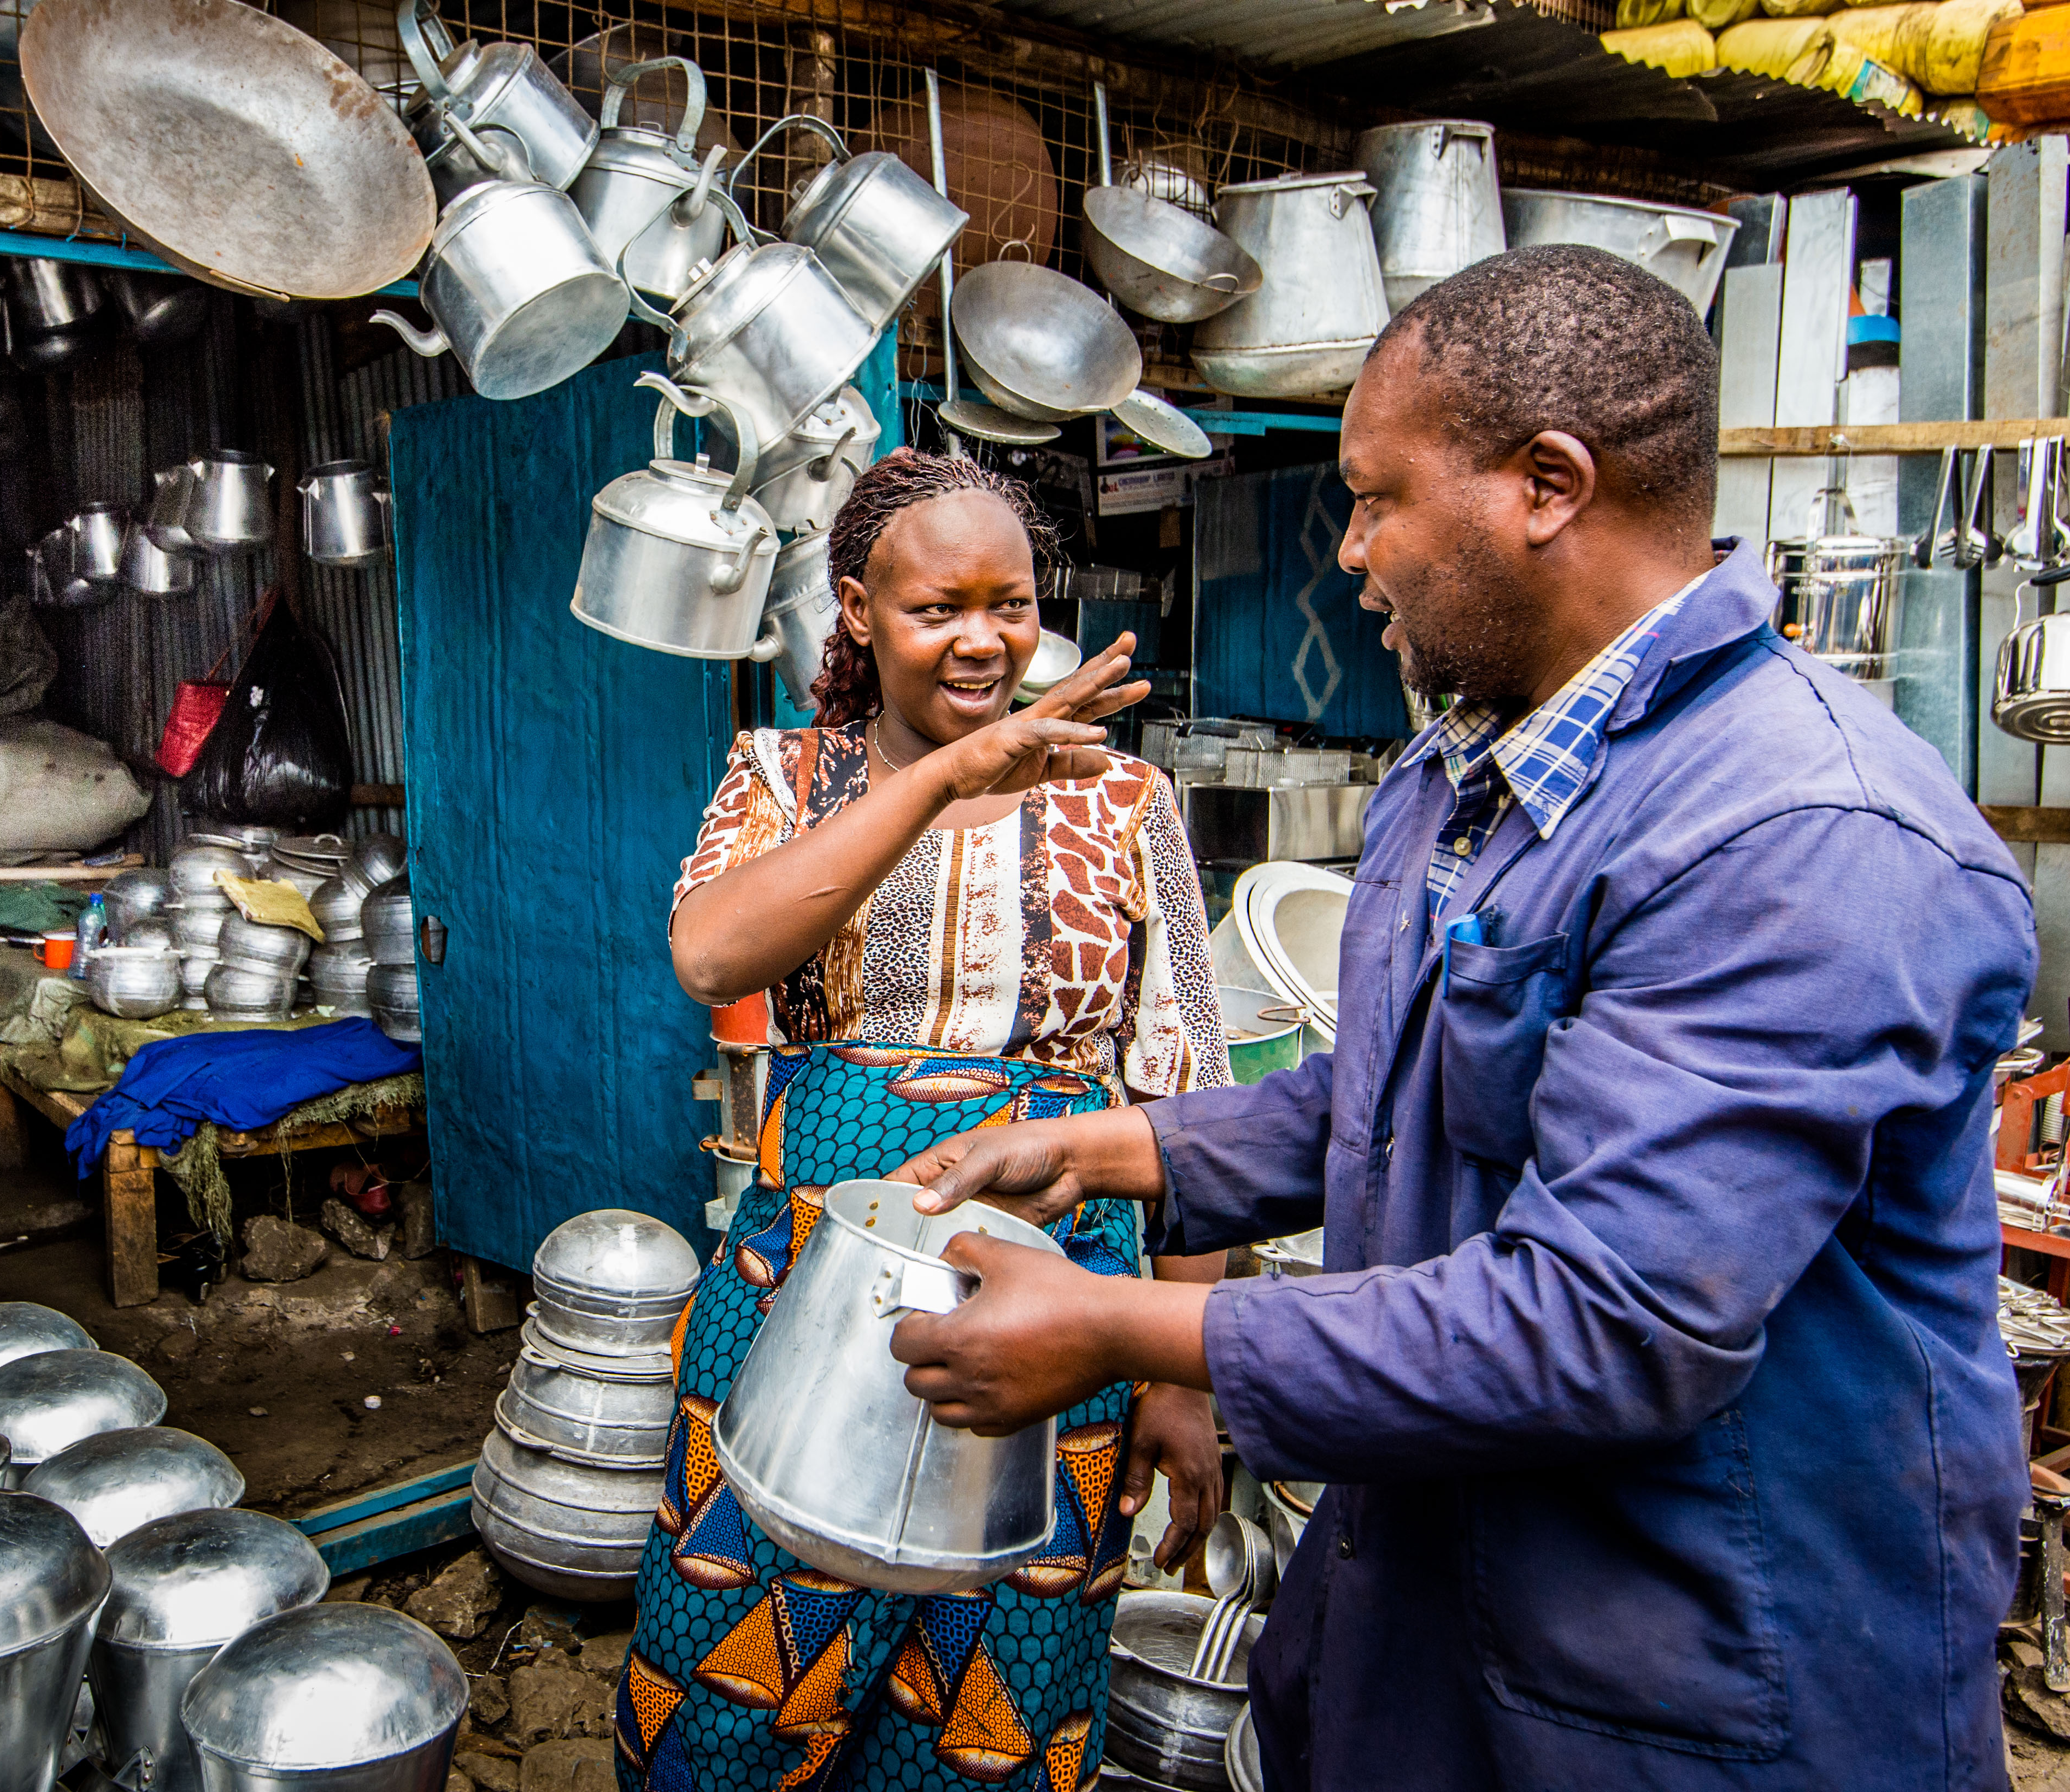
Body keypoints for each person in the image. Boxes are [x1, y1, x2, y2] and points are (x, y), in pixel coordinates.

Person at [885, 245, 2039, 1791]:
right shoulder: (1467, 768)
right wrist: (1117, 1152)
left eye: (1377, 499)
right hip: (1427, 1611)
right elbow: (1397, 1091)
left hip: (1696, 1678)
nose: (1351, 551)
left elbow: (1609, 1320)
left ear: (1546, 486)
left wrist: (1124, 1329)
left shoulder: (1801, 838)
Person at [616, 450, 1234, 1792]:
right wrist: (948, 776)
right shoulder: (783, 776)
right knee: (730, 1697)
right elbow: (712, 955)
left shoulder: (1125, 802)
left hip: (1058, 1325)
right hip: (799, 1294)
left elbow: (1184, 1086)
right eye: (935, 607)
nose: (980, 639)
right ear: (857, 609)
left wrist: (1183, 1373)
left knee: (988, 1704)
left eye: (1008, 603)